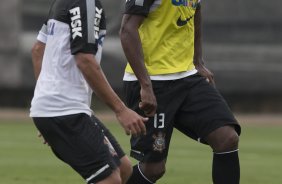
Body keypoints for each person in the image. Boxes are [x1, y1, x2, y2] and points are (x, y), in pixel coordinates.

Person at [119, 0, 241, 184]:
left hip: (188, 78)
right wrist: (145, 85)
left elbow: (196, 10)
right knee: (153, 169)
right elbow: (127, 30)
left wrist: (197, 61)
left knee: (227, 138)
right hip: (152, 81)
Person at [30, 0, 148, 184]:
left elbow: (38, 50)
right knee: (110, 179)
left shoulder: (62, 3)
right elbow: (85, 60)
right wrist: (121, 110)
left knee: (123, 169)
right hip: (65, 110)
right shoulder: (86, 4)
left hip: (60, 109)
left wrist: (45, 102)